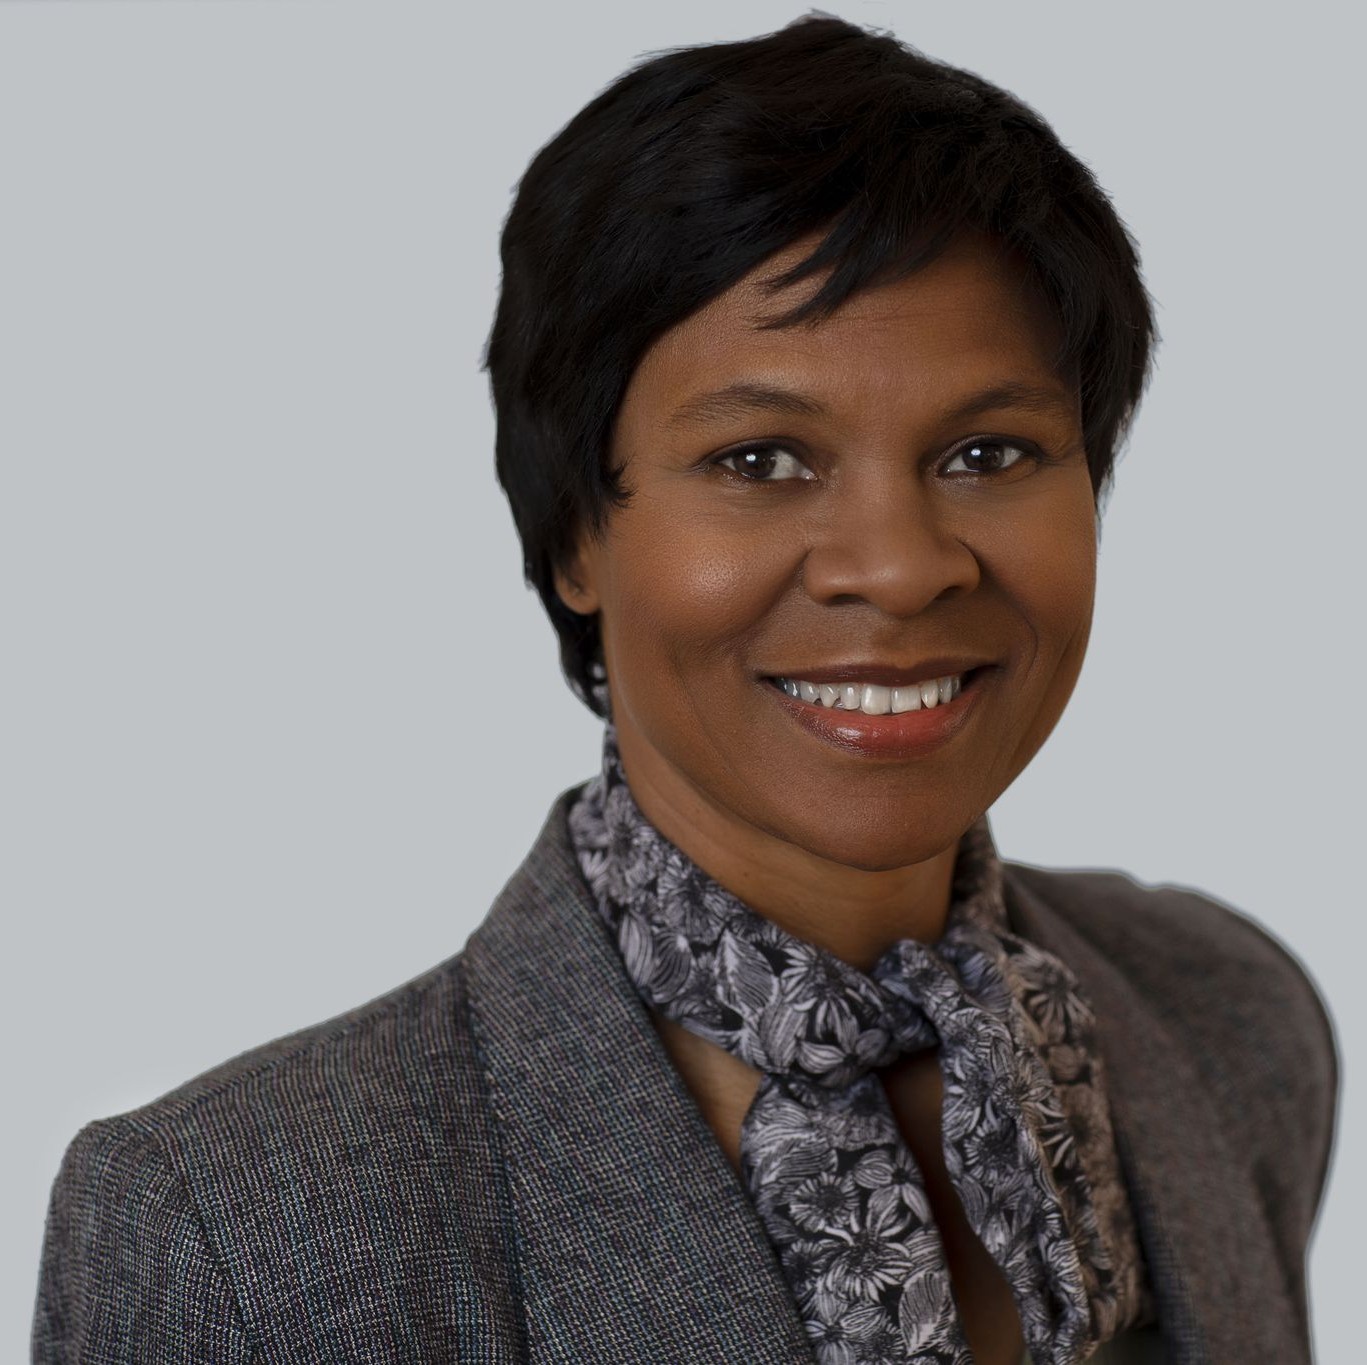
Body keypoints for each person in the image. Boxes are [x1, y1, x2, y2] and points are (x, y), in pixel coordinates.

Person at [32, 14, 1337, 1365]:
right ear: (575, 536)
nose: (899, 569)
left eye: (988, 452)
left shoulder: (1230, 1021)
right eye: (761, 459)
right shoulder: (233, 1239)